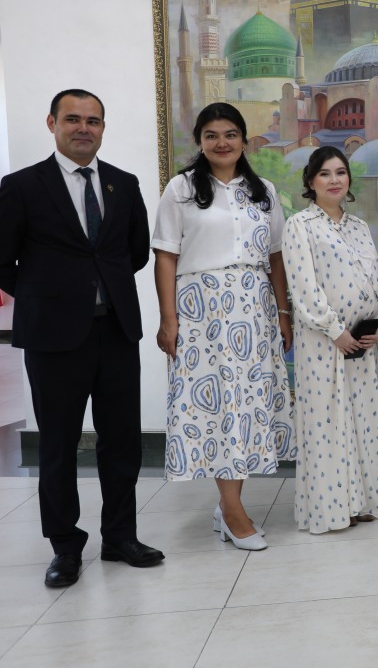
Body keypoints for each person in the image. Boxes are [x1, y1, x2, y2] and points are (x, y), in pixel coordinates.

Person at [0, 89, 163, 587]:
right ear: (52, 123)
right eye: (73, 119)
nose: (84, 128)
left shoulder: (123, 184)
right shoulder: (22, 186)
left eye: (93, 120)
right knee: (58, 445)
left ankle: (120, 536)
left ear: (103, 127)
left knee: (121, 441)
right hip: (53, 336)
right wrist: (45, 294)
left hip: (116, 330)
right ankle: (65, 546)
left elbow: (134, 253)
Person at [151, 102, 295, 551]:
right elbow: (165, 256)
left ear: (244, 140)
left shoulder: (263, 190)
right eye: (211, 135)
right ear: (200, 141)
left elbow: (276, 256)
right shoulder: (181, 189)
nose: (222, 142)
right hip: (202, 312)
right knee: (217, 408)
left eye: (230, 134)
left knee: (246, 406)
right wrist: (168, 319)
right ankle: (234, 513)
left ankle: (228, 504)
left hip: (254, 307)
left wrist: (283, 313)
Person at [283, 147, 378, 532]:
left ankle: (364, 500)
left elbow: (377, 281)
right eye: (325, 173)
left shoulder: (360, 227)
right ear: (310, 181)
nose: (334, 180)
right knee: (329, 422)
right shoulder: (300, 225)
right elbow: (303, 287)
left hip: (362, 345)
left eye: (340, 172)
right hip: (324, 343)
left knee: (365, 421)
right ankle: (334, 508)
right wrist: (335, 331)